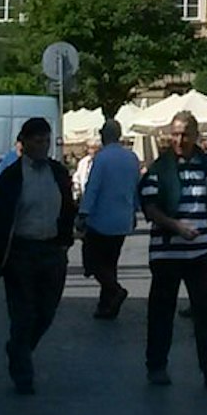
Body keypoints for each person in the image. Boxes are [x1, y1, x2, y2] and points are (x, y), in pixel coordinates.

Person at [121, 111, 207, 389]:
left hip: (200, 252)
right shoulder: (159, 169)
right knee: (161, 311)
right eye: (175, 134)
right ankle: (156, 365)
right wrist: (176, 226)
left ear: (196, 137)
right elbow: (150, 208)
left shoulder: (206, 167)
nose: (179, 139)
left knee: (206, 310)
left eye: (185, 134)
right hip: (167, 253)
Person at [0, 116, 75, 396]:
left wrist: (66, 239)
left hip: (52, 250)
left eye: (46, 140)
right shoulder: (11, 177)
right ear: (24, 143)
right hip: (21, 251)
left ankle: (19, 348)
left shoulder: (58, 172)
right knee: (23, 314)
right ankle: (23, 372)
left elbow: (67, 206)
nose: (43, 145)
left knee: (46, 311)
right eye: (37, 140)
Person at [78, 117, 142, 320]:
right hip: (122, 218)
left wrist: (83, 212)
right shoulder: (131, 158)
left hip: (100, 219)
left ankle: (114, 290)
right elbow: (135, 188)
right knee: (110, 262)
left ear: (103, 136)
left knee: (93, 261)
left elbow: (93, 188)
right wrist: (135, 211)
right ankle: (106, 304)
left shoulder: (102, 158)